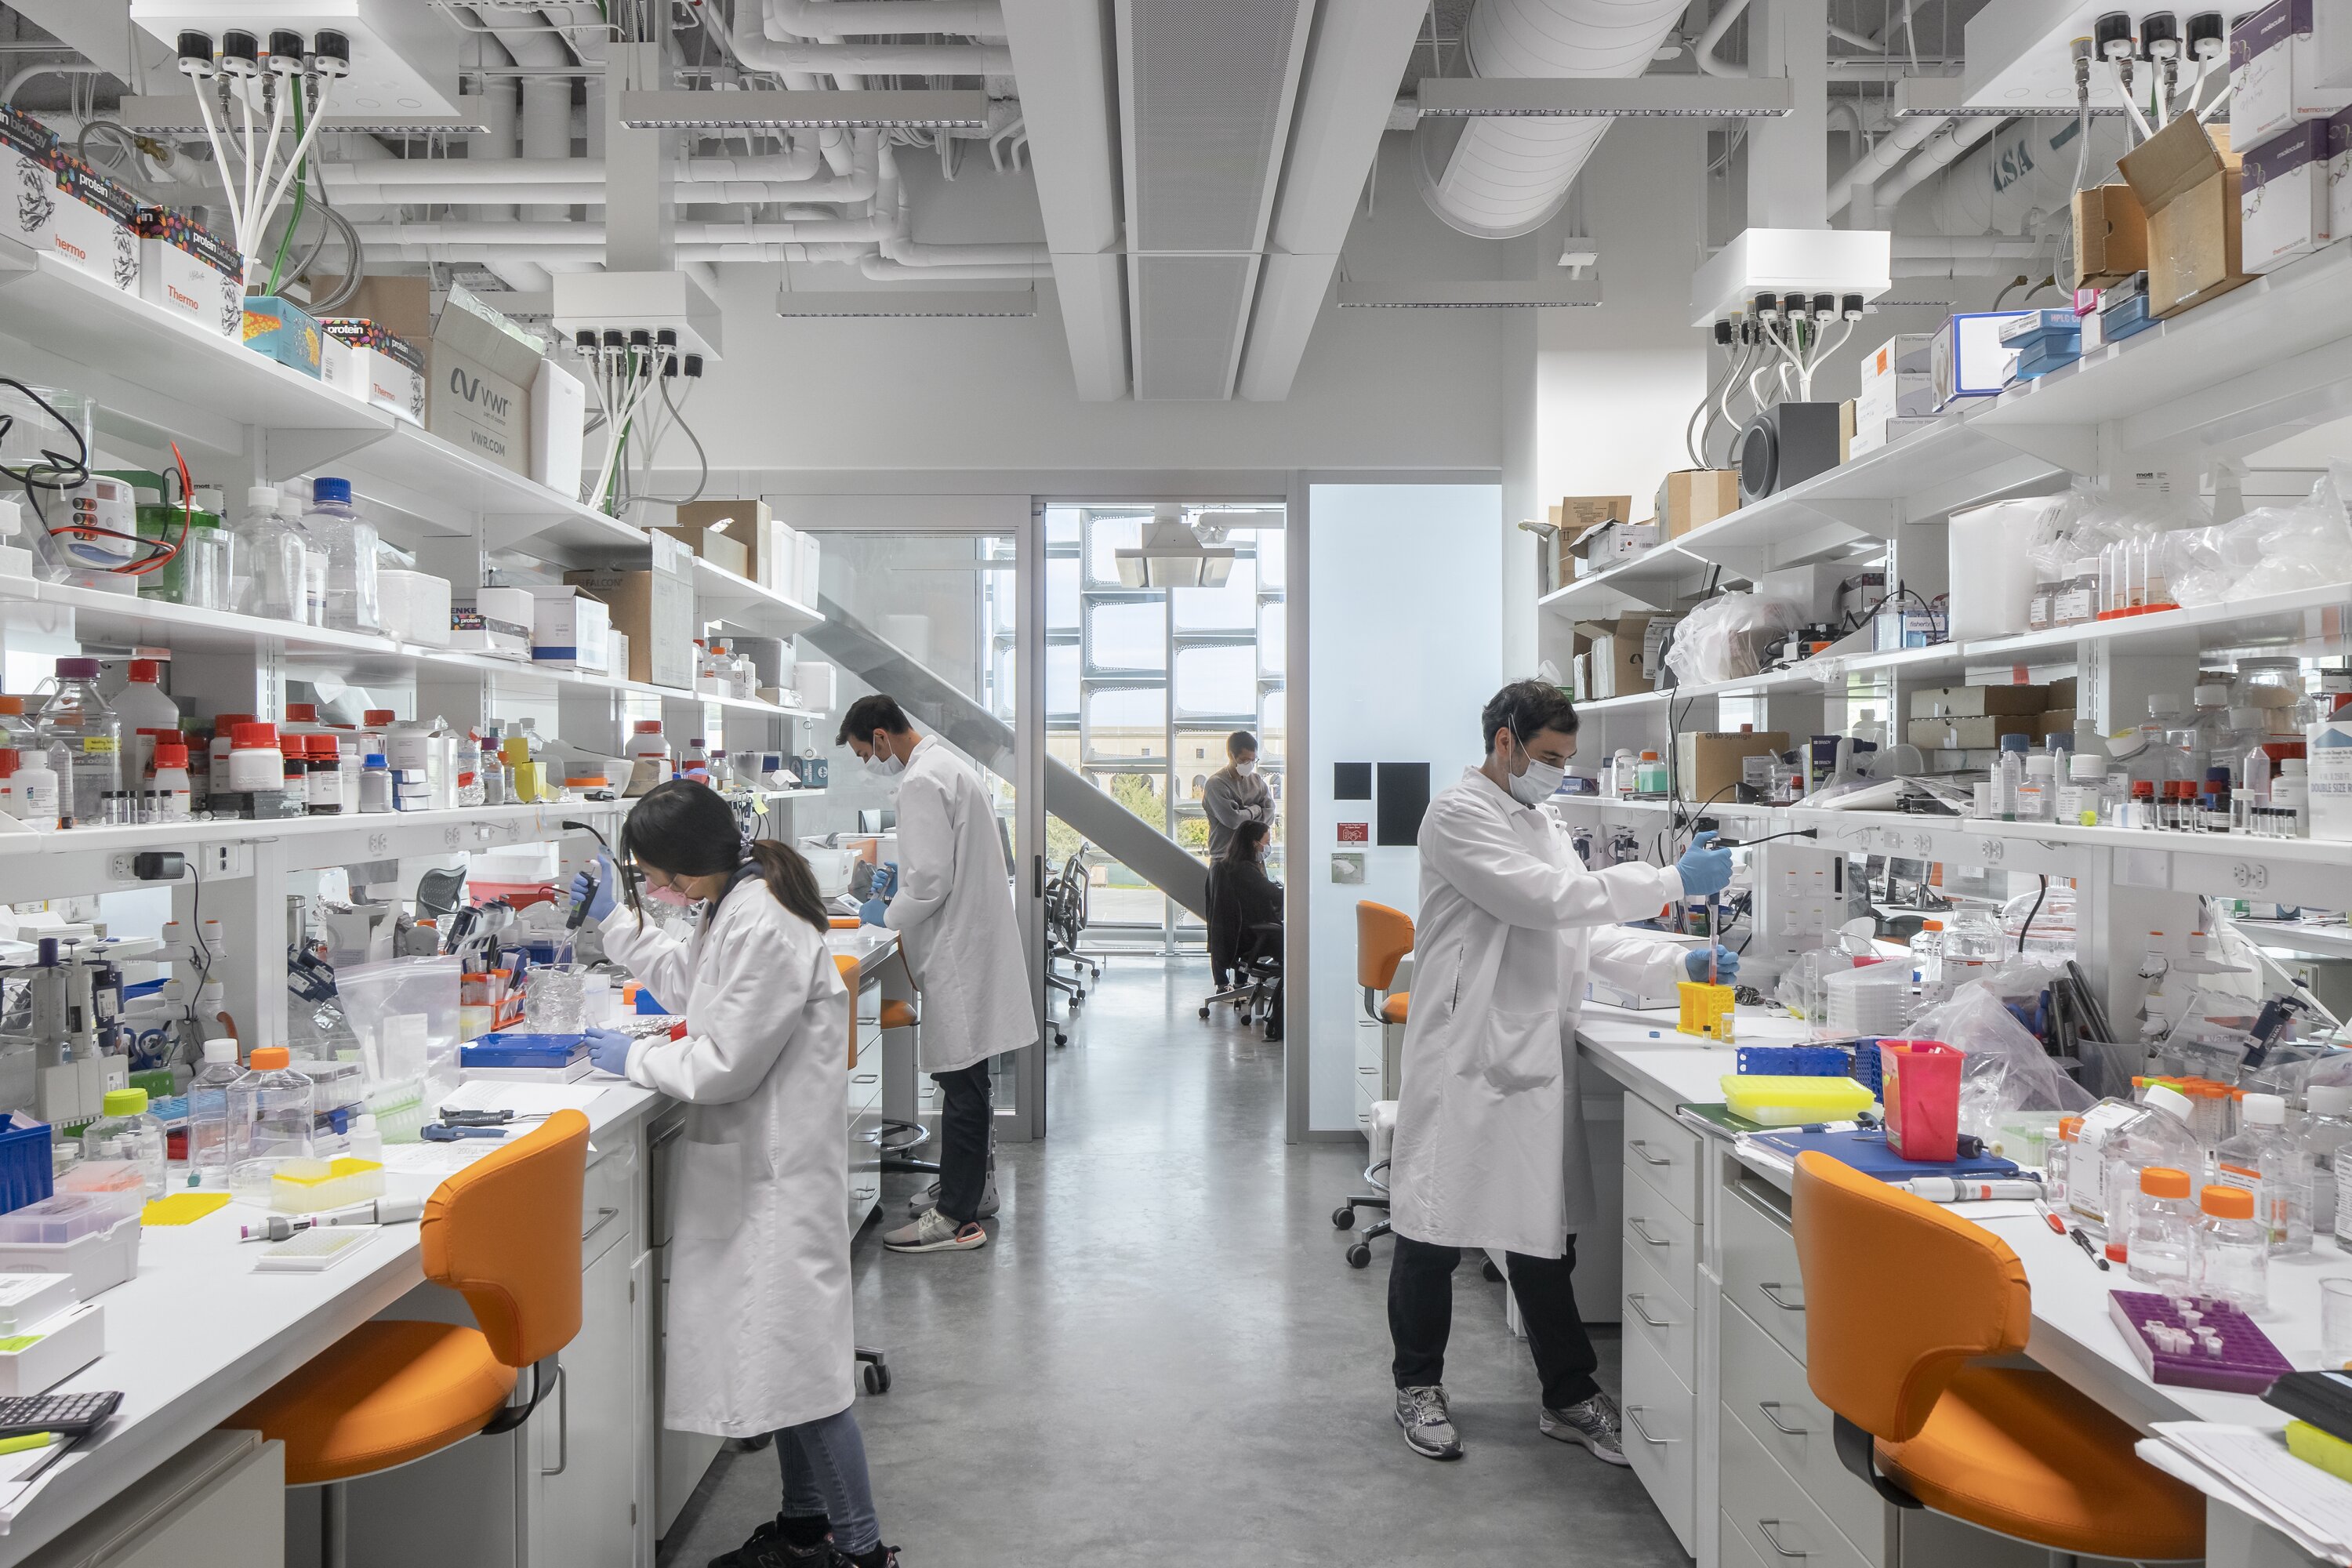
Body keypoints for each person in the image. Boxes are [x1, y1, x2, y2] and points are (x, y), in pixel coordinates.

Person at [1385, 680, 1737, 1466]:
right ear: (1503, 742)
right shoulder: (1458, 814)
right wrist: (1673, 881)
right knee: (1432, 1229)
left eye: (1567, 759)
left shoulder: (1542, 821)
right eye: (1548, 757)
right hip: (1465, 1049)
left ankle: (1569, 1395)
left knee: (1543, 1236)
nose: (1557, 772)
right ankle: (1418, 1385)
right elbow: (1544, 900)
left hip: (1532, 1051)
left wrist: (1678, 962)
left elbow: (1584, 928)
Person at [568, 782, 896, 1568]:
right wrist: (614, 919)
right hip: (759, 1166)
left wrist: (635, 1054)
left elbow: (723, 1064)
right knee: (781, 1365)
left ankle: (860, 1550)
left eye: (650, 876)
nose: (651, 889)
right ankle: (805, 1527)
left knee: (806, 1378)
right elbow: (690, 980)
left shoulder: (766, 921)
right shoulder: (736, 901)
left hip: (778, 1175)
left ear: (685, 867)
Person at [838, 694, 1036, 1253]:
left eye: (863, 752)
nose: (867, 764)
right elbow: (938, 866)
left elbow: (929, 882)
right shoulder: (946, 766)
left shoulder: (921, 781)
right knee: (968, 1080)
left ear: (881, 736)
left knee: (962, 1084)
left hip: (959, 952)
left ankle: (955, 1218)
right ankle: (973, 1192)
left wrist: (887, 911)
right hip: (969, 942)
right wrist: (906, 886)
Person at [1207, 819, 1283, 1034]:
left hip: (1240, 934)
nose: (1267, 847)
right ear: (1253, 844)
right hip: (1251, 936)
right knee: (1293, 936)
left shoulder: (1228, 865)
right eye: (1266, 842)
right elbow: (1274, 894)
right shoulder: (1245, 870)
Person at [1201, 730, 1274, 863]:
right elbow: (1233, 820)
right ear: (1231, 755)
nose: (1250, 765)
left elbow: (1270, 815)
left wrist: (1243, 813)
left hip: (1254, 859)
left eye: (1253, 760)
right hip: (1225, 861)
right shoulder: (1216, 784)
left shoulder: (1257, 781)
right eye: (1244, 760)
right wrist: (1256, 809)